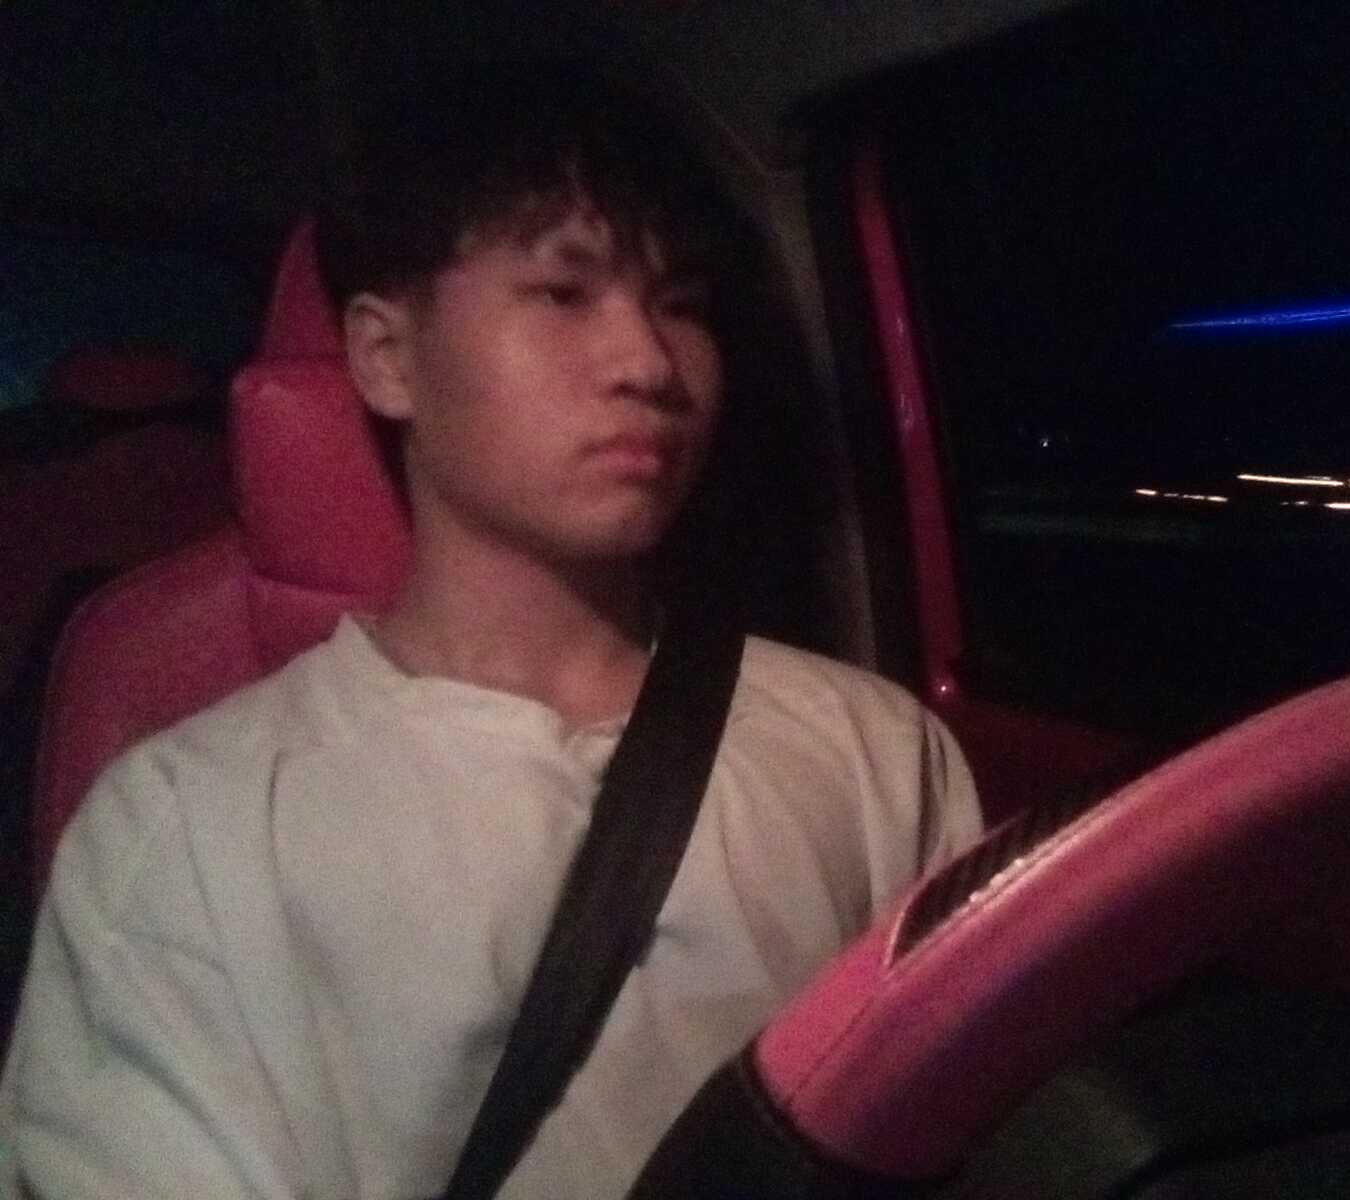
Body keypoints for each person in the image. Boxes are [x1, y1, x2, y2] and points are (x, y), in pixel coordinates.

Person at [0, 58, 982, 1200]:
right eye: (564, 293)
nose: (649, 365)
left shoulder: (873, 750)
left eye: (679, 303)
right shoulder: (189, 830)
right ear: (387, 358)